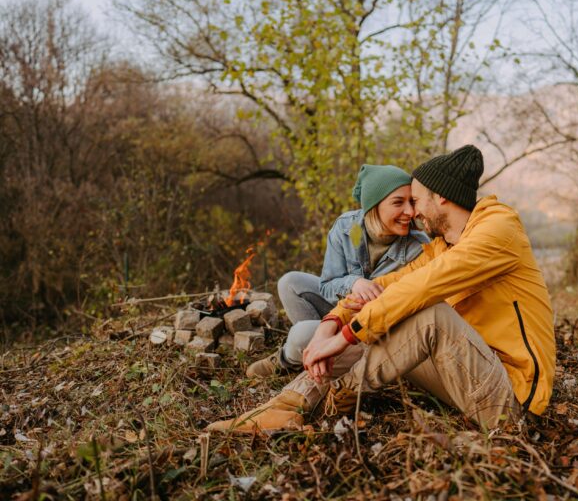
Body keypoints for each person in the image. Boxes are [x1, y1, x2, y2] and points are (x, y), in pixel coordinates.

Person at [207, 145, 556, 434]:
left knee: (427, 314)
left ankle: (339, 393)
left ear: (442, 198)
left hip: (510, 400)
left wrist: (346, 336)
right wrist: (331, 322)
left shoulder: (498, 230)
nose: (413, 211)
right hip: (464, 375)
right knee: (382, 314)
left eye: (416, 200)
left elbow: (422, 288)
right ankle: (284, 408)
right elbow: (388, 286)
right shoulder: (443, 246)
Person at [245, 164, 429, 379]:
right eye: (398, 202)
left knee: (301, 333)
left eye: (412, 202)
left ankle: (289, 358)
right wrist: (353, 283)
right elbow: (327, 284)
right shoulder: (347, 228)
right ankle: (316, 356)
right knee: (289, 282)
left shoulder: (419, 246)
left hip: (369, 327)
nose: (410, 212)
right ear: (374, 206)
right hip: (340, 310)